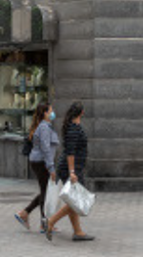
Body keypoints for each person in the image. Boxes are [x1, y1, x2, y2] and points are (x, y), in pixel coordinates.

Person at [44, 101, 94, 242]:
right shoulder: (73, 128)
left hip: (72, 167)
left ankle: (78, 232)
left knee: (74, 199)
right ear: (82, 113)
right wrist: (72, 172)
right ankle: (51, 221)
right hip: (71, 168)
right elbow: (70, 153)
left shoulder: (73, 126)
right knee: (75, 201)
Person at [15, 102, 59, 233]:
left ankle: (26, 213)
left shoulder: (43, 126)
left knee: (44, 191)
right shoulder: (44, 127)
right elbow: (46, 148)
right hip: (41, 162)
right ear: (45, 113)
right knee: (45, 192)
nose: (52, 113)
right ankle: (44, 224)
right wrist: (51, 167)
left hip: (38, 161)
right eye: (50, 110)